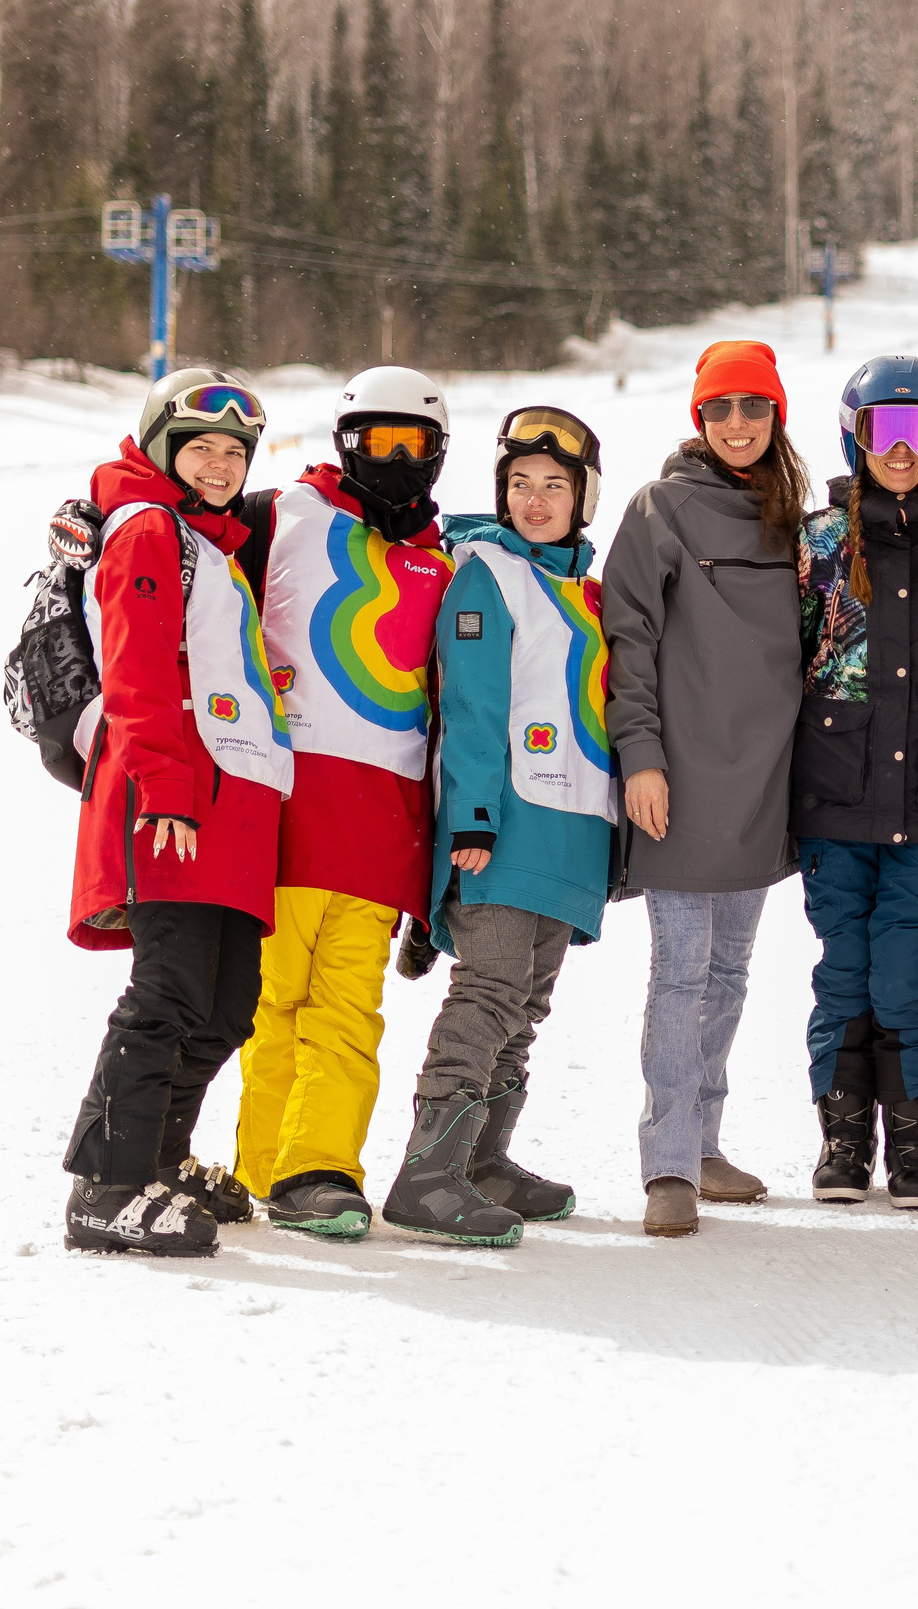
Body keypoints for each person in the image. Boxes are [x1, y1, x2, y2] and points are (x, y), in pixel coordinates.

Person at [59, 372, 292, 1256]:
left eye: (236, 451)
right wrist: (164, 791)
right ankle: (106, 1185)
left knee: (228, 1003)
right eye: (201, 447)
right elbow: (139, 668)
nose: (222, 464)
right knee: (169, 994)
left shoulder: (209, 539)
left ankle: (158, 1156)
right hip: (173, 802)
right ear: (162, 449)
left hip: (226, 801)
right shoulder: (151, 528)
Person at [228, 368, 457, 1240]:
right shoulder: (279, 516)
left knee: (346, 1005)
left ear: (436, 454)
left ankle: (319, 1167)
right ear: (345, 442)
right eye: (376, 442)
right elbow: (180, 545)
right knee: (271, 1000)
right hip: (284, 804)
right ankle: (263, 1167)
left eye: (412, 445)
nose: (393, 461)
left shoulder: (445, 559)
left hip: (380, 819)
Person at [382, 407, 613, 1247]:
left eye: (555, 485)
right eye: (520, 484)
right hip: (507, 825)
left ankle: (482, 1159)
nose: (536, 499)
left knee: (526, 1002)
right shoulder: (484, 570)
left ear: (585, 497)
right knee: (486, 992)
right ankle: (427, 1174)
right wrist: (472, 817)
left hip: (570, 832)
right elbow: (474, 705)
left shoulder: (582, 588)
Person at [603, 341, 806, 1236]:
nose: (736, 425)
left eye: (752, 409)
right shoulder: (661, 509)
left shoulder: (796, 520)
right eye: (720, 410)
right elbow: (629, 639)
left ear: (776, 419)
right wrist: (639, 755)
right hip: (680, 779)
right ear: (697, 419)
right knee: (680, 973)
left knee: (730, 972)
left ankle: (706, 1142)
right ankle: (667, 1166)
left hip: (766, 778)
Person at [794, 356, 918, 1209]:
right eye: (884, 431)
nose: (902, 449)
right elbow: (787, 658)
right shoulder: (819, 542)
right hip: (835, 794)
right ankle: (843, 1137)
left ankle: (914, 1139)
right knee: (844, 965)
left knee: (909, 965)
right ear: (855, 435)